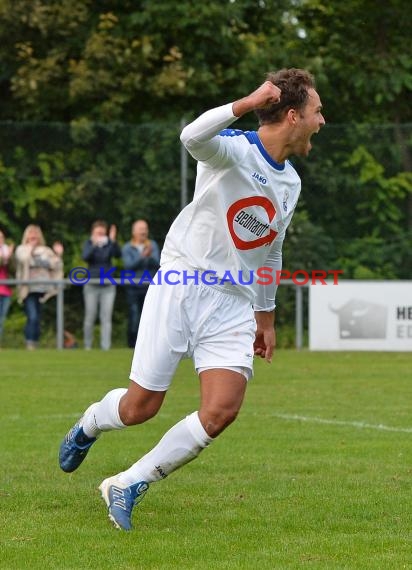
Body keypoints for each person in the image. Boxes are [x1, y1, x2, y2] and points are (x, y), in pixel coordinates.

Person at [59, 68, 325, 530]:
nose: (322, 122)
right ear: (292, 115)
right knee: (139, 408)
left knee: (221, 410)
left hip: (234, 305)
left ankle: (128, 482)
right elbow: (191, 135)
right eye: (318, 112)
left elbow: (272, 250)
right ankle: (91, 423)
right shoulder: (231, 151)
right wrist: (244, 103)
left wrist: (266, 317)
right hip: (181, 286)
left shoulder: (291, 183)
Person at [15, 224, 63, 350]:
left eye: (36, 233)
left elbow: (56, 265)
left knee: (38, 318)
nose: (33, 236)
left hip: (43, 289)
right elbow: (24, 259)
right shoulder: (22, 249)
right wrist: (31, 250)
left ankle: (35, 342)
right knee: (32, 316)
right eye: (31, 234)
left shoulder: (46, 250)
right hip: (28, 289)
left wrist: (58, 254)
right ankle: (30, 342)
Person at [82, 220, 121, 350]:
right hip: (91, 285)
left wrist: (112, 241)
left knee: (106, 317)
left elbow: (118, 254)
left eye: (102, 233)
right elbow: (85, 256)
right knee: (90, 316)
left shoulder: (110, 244)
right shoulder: (88, 243)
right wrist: (94, 245)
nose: (100, 235)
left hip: (108, 286)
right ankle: (87, 346)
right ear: (92, 233)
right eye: (97, 233)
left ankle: (106, 347)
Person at [122, 220, 160, 347]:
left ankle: (148, 344)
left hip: (150, 288)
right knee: (134, 317)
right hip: (133, 288)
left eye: (145, 228)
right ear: (134, 232)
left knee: (150, 317)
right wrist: (142, 256)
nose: (143, 231)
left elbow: (159, 264)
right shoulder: (127, 247)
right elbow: (128, 266)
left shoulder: (152, 245)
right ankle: (132, 345)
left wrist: (150, 256)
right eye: (140, 229)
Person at [0, 228, 14, 345]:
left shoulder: (7, 252)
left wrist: (10, 258)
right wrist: (4, 258)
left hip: (5, 291)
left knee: (2, 319)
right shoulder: (5, 254)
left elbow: (14, 270)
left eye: (1, 238)